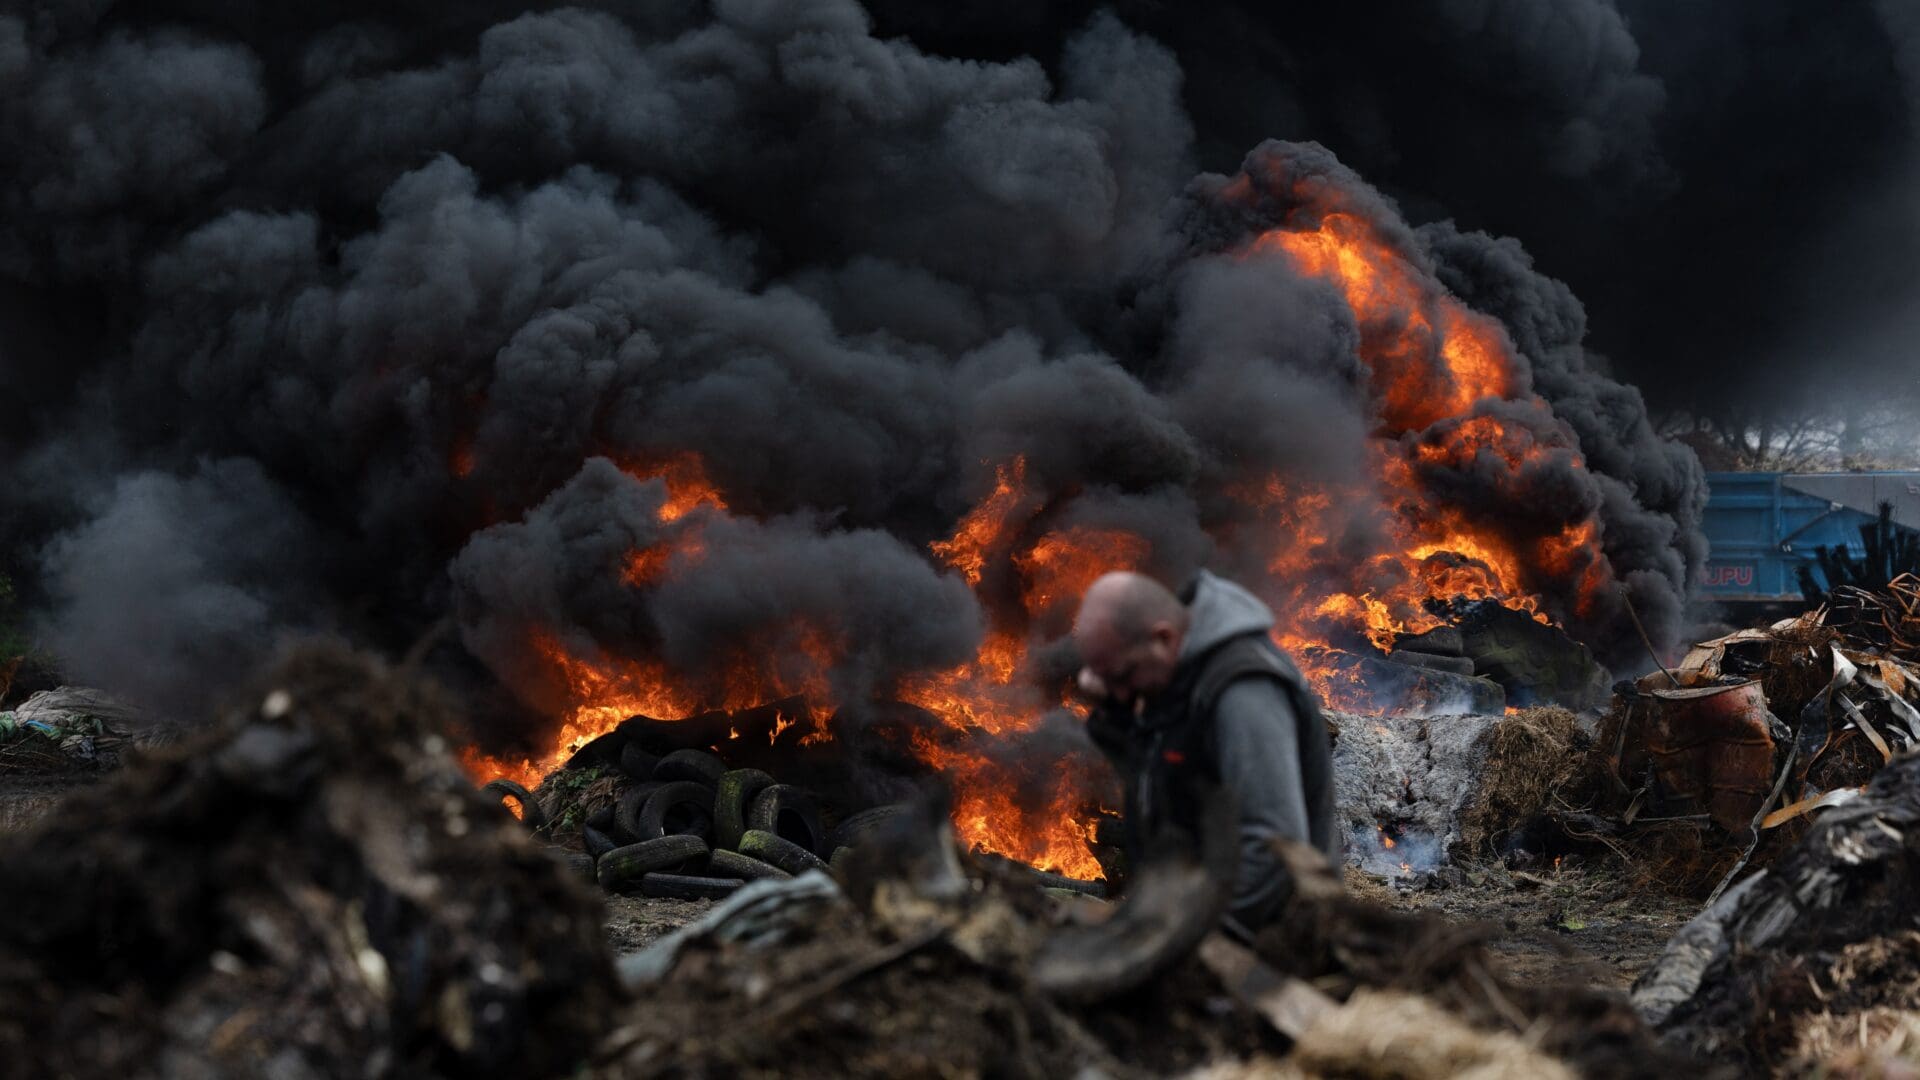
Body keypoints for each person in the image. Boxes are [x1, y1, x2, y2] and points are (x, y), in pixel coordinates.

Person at [1072, 569, 1338, 930]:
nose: (1120, 690)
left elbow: (1276, 851)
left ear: (1163, 638)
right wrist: (1113, 712)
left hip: (1266, 937)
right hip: (1194, 912)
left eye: (1124, 674)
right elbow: (1148, 784)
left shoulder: (1243, 692)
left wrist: (1199, 938)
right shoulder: (1177, 675)